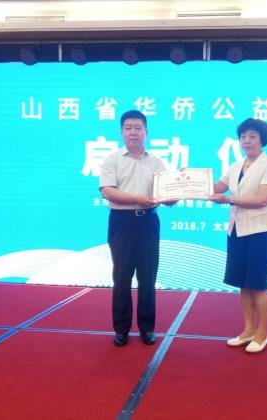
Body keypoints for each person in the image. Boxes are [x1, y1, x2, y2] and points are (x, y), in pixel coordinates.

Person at [99, 109, 171, 347]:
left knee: (148, 277)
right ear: (121, 132)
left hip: (148, 222)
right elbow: (107, 191)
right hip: (122, 222)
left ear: (146, 132)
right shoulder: (112, 160)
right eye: (128, 128)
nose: (133, 132)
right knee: (122, 276)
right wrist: (137, 199)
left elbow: (166, 192)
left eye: (138, 128)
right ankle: (121, 329)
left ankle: (147, 328)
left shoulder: (157, 161)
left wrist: (172, 198)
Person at [209, 118, 267, 354]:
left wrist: (229, 199)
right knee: (243, 284)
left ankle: (262, 334)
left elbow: (263, 199)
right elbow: (216, 187)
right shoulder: (236, 166)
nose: (247, 141)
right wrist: (187, 183)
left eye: (252, 136)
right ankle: (248, 330)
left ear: (262, 139)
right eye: (243, 136)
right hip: (237, 230)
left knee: (258, 285)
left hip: (259, 232)